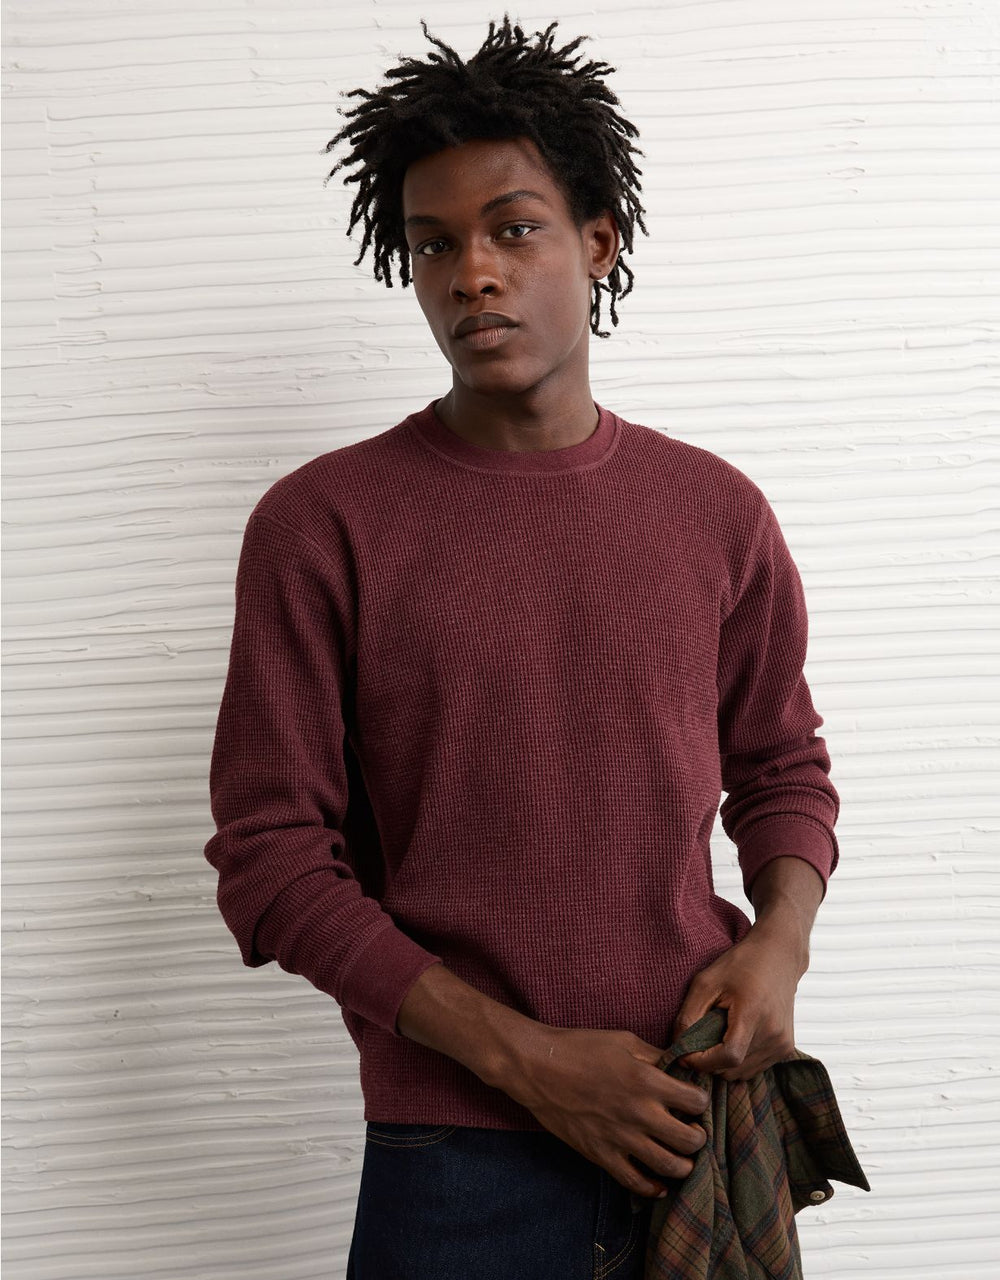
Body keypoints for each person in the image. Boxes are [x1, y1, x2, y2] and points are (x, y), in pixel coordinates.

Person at [204, 16, 839, 1278]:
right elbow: (270, 857)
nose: (472, 274)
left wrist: (780, 939)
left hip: (690, 1109)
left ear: (598, 241)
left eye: (513, 228)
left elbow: (781, 767)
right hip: (455, 1157)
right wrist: (526, 1060)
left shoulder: (715, 510)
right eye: (433, 243)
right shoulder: (322, 523)